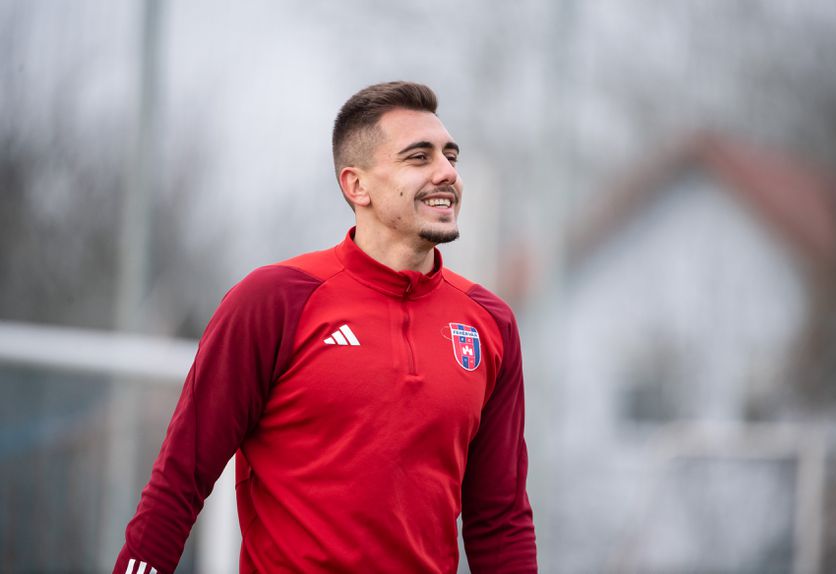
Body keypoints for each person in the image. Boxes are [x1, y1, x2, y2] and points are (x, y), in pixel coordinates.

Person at [113, 81, 537, 574]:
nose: (447, 172)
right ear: (356, 186)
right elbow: (180, 480)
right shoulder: (275, 300)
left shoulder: (490, 322)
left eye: (451, 156)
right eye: (419, 157)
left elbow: (500, 520)